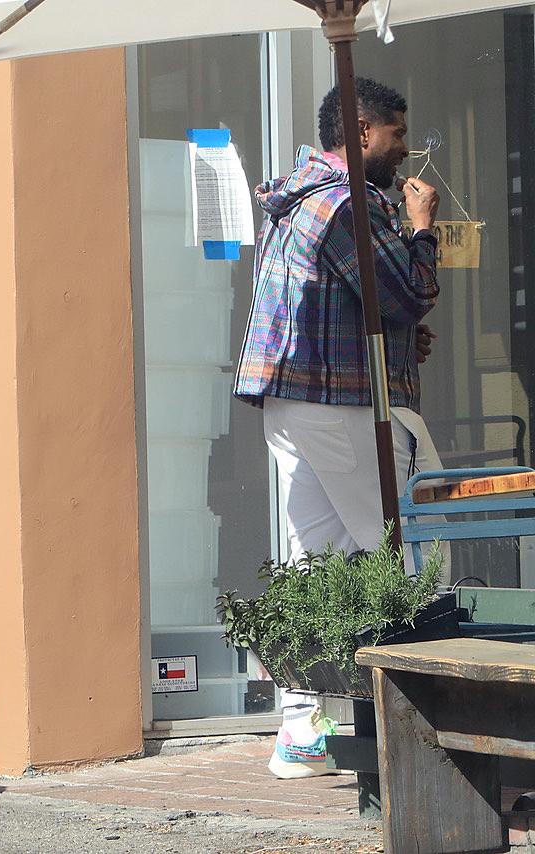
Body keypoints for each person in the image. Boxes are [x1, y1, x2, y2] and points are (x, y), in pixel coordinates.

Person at [233, 78, 444, 779]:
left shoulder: (297, 198)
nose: (404, 150)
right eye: (395, 135)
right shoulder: (348, 202)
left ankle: (299, 732)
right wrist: (421, 227)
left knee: (314, 564)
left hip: (292, 400)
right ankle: (439, 723)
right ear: (359, 133)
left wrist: (390, 334)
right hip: (342, 403)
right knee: (412, 552)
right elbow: (407, 292)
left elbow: (341, 303)